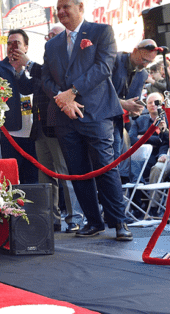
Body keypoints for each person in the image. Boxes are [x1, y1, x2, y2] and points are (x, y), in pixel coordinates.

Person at [42, 0, 132, 241]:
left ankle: (119, 221)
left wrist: (73, 91)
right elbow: (46, 79)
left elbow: (104, 67)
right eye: (58, 8)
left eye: (65, 7)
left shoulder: (101, 31)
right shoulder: (52, 44)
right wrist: (63, 100)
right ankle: (94, 221)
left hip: (96, 113)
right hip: (65, 118)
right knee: (77, 170)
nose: (61, 12)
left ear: (80, 7)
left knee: (105, 167)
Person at [18, 24, 84, 233]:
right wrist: (19, 68)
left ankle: (75, 218)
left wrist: (26, 63)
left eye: (53, 36)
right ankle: (51, 218)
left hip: (59, 128)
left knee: (65, 174)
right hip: (40, 129)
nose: (49, 39)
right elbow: (26, 88)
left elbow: (51, 82)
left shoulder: (63, 62)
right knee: (46, 176)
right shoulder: (46, 63)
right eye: (48, 36)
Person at [0, 29, 38, 184]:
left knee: (33, 179)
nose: (12, 47)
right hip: (11, 134)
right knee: (11, 180)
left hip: (34, 134)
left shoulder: (34, 68)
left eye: (17, 43)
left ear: (26, 47)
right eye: (9, 43)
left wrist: (22, 69)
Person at [111, 40, 160, 168]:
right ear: (134, 51)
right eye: (144, 60)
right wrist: (123, 103)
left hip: (118, 122)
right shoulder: (115, 59)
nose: (145, 64)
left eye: (149, 62)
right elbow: (101, 92)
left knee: (116, 163)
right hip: (100, 119)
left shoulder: (142, 74)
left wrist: (136, 108)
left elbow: (133, 100)